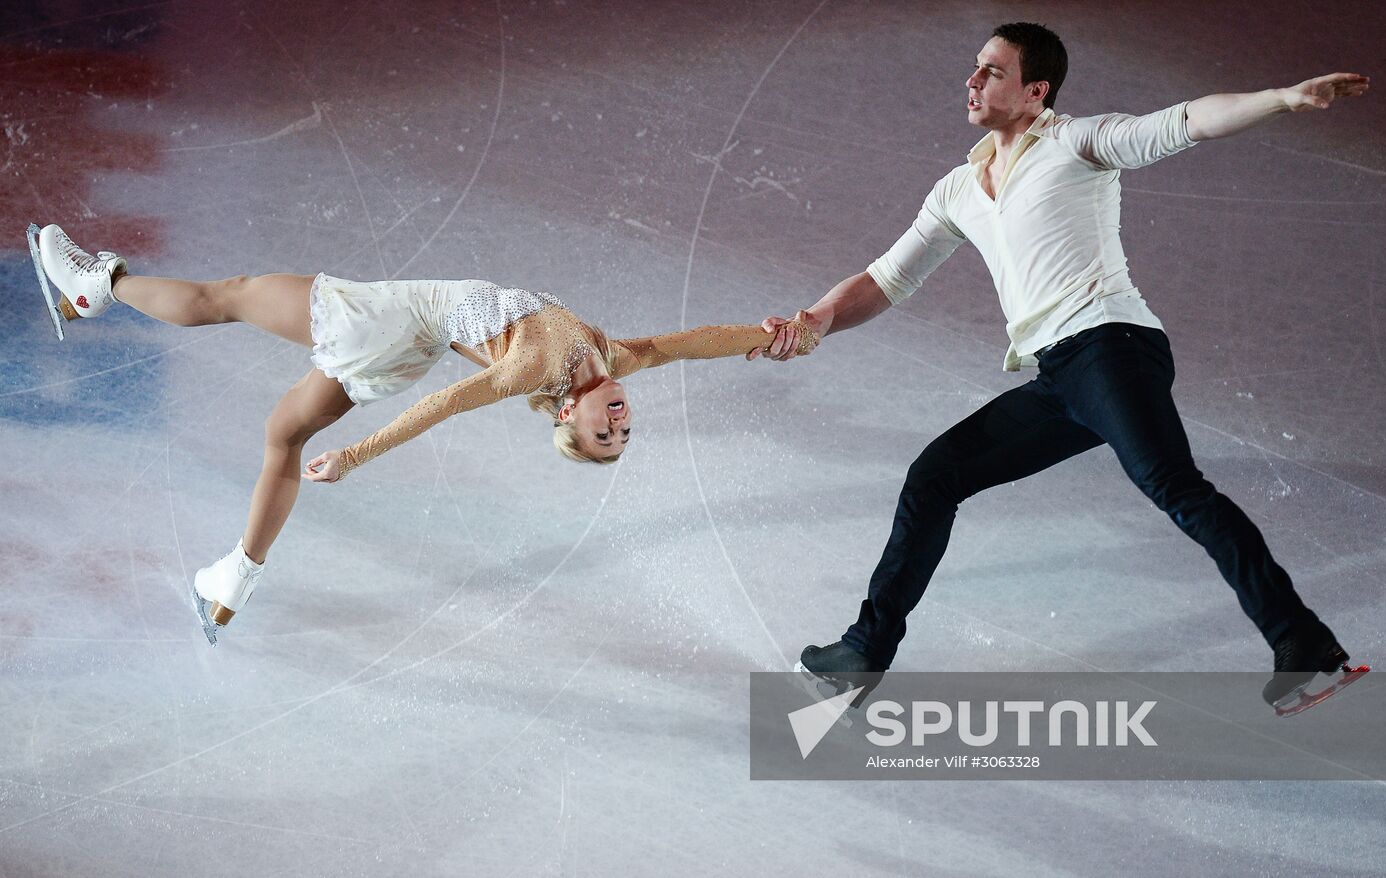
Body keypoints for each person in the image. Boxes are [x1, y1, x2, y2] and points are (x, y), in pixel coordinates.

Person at [747, 22, 1369, 708]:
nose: (973, 80)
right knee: (935, 476)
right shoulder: (960, 188)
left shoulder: (1078, 142)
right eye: (976, 68)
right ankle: (863, 654)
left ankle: (1305, 646)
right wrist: (816, 319)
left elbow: (1185, 121)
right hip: (1060, 378)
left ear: (1034, 90)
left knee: (1175, 487)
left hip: (1112, 348)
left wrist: (1282, 97)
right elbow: (886, 278)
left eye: (992, 71)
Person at [30, 223, 815, 644]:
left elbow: (439, 411)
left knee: (225, 296)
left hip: (390, 321)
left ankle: (96, 284)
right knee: (281, 437)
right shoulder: (610, 357)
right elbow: (687, 344)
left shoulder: (532, 367)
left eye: (605, 436)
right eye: (626, 430)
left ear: (568, 420)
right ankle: (235, 578)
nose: (622, 422)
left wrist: (360, 453)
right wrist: (767, 337)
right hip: (405, 350)